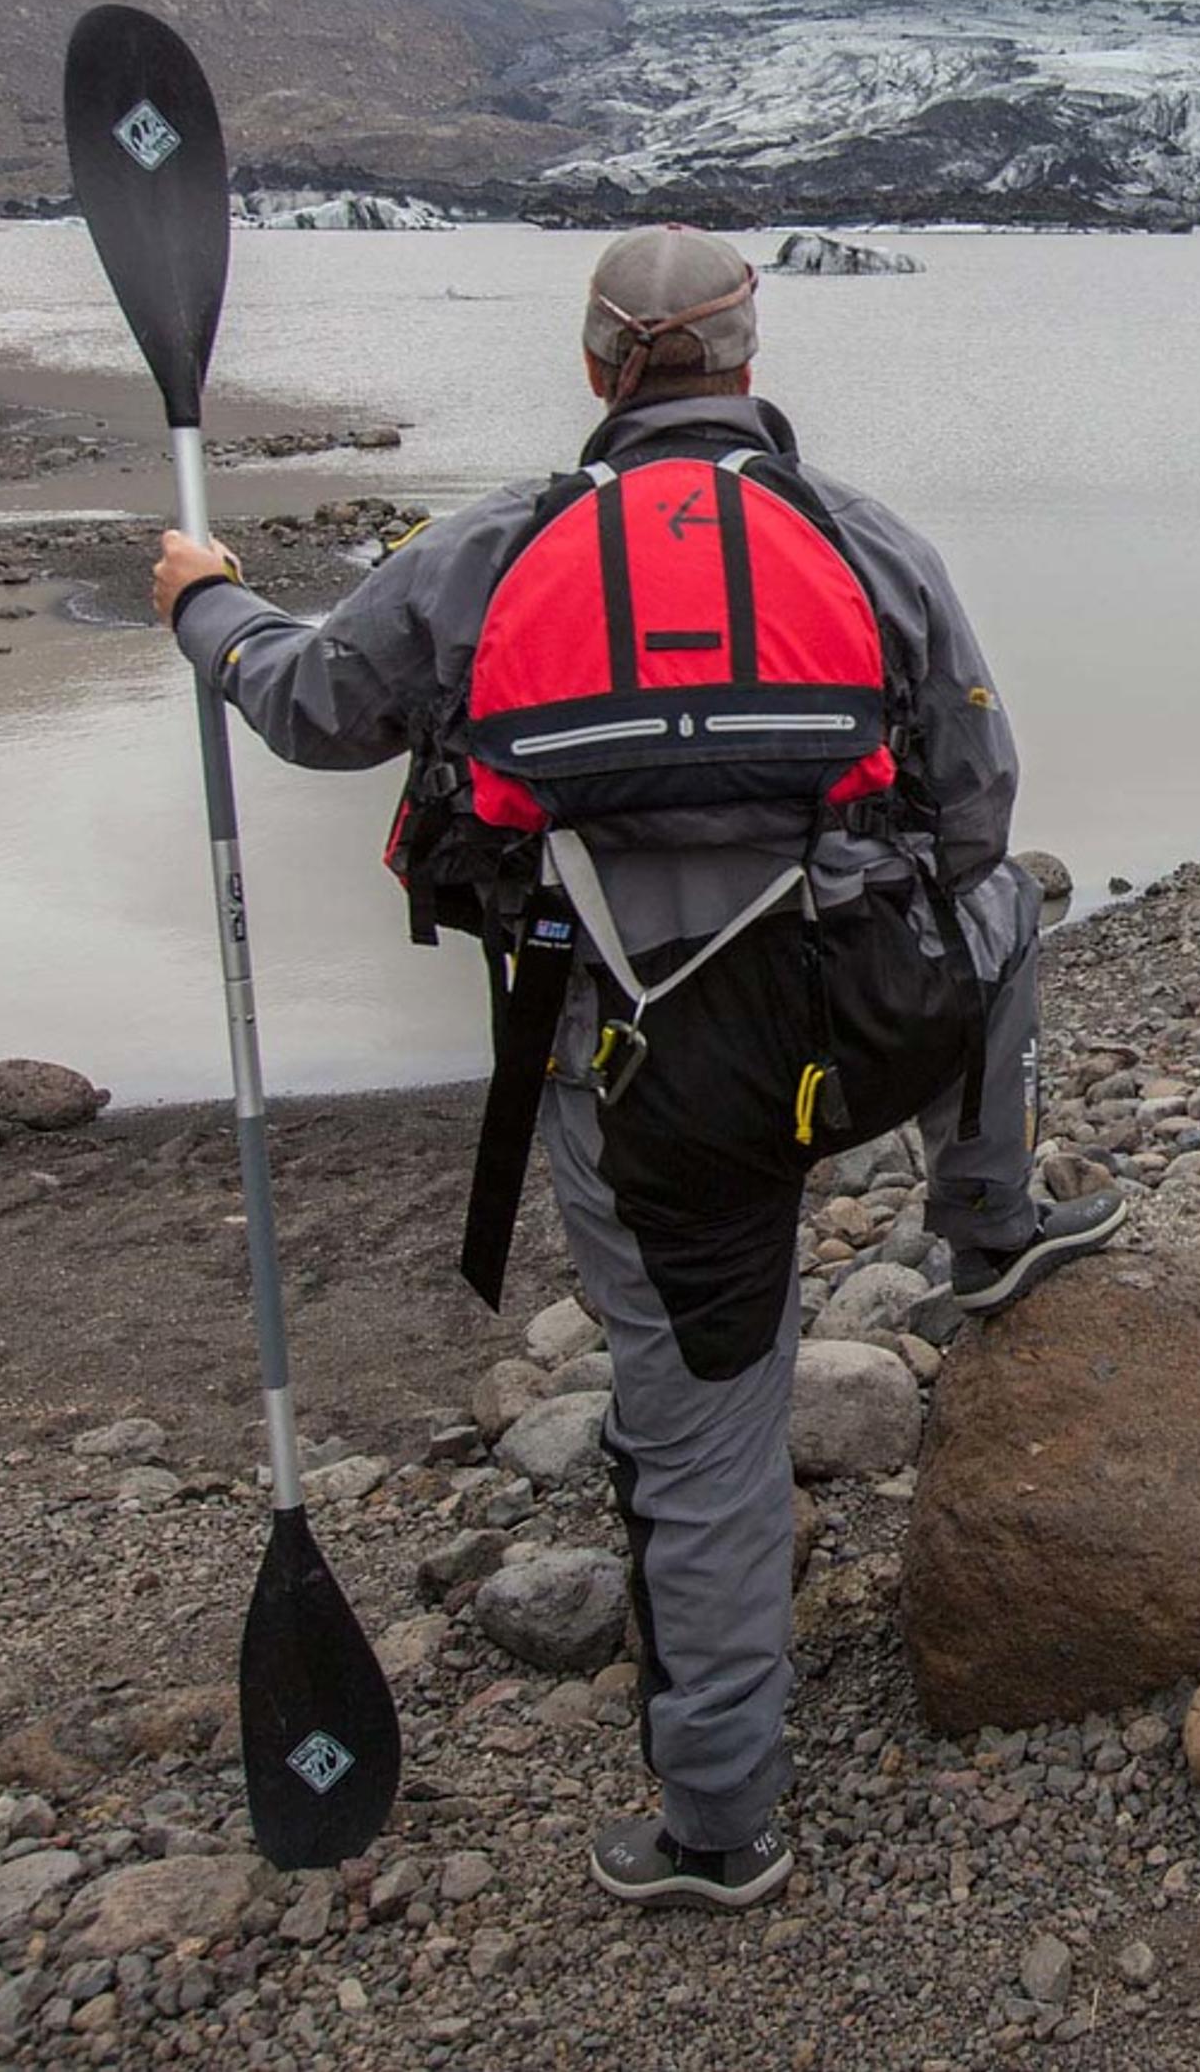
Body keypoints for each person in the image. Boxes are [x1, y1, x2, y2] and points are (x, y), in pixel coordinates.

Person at [148, 225, 1120, 1909]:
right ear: (750, 359)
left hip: (642, 1079)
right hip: (851, 1031)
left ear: (600, 370)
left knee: (705, 1441)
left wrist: (206, 603)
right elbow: (980, 803)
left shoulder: (498, 547)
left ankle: (721, 1822)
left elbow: (312, 705)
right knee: (1006, 921)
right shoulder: (863, 538)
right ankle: (987, 1218)